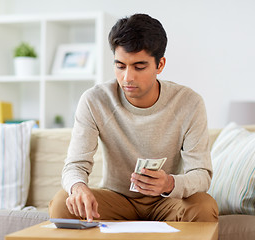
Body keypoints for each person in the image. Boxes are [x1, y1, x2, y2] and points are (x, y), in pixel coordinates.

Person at [49, 13, 218, 222]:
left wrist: (169, 184)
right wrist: (78, 188)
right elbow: (75, 165)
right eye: (120, 66)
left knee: (203, 206)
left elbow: (201, 174)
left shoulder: (189, 103)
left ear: (160, 65)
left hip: (167, 201)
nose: (127, 77)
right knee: (61, 204)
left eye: (139, 67)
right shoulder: (95, 101)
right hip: (116, 199)